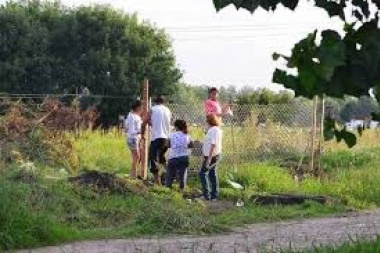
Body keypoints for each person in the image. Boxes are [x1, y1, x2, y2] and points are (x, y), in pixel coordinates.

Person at [142, 95, 171, 185]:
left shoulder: (153, 109)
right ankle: (170, 173)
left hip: (156, 138)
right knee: (161, 157)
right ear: (163, 102)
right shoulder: (168, 110)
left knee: (152, 159)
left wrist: (142, 134)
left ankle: (157, 182)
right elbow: (162, 122)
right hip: (166, 139)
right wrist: (152, 123)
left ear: (155, 102)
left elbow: (144, 122)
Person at [199, 114, 223, 201]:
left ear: (209, 121)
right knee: (212, 174)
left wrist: (209, 159)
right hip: (211, 155)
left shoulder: (214, 130)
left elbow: (213, 144)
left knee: (202, 173)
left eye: (206, 120)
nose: (205, 122)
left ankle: (207, 195)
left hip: (212, 156)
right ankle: (213, 196)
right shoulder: (213, 129)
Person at [165, 119, 193, 192]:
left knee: (170, 174)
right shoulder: (187, 135)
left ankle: (168, 188)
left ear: (176, 127)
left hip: (173, 158)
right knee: (182, 174)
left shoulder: (171, 135)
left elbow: (167, 145)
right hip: (184, 158)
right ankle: (182, 189)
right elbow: (191, 145)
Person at [124, 100, 143, 179]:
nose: (142, 109)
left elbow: (126, 127)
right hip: (133, 138)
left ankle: (132, 175)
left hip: (133, 138)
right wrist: (141, 131)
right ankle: (133, 176)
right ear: (138, 107)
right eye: (141, 107)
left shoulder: (131, 115)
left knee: (136, 157)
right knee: (137, 157)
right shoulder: (133, 116)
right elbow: (132, 130)